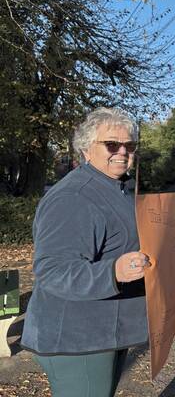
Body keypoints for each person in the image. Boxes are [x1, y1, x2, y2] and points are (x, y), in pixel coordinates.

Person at [21, 107, 149, 397]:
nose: (122, 151)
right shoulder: (75, 196)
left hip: (105, 331)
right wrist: (114, 271)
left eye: (129, 145)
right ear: (86, 148)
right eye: (112, 144)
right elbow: (53, 270)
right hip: (77, 339)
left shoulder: (113, 188)